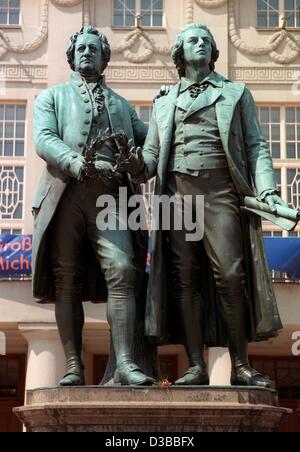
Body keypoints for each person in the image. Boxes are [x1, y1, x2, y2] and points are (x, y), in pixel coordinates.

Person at [117, 23, 286, 387]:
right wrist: (133, 164)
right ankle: (195, 365)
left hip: (219, 190)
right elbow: (150, 158)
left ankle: (240, 364)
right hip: (174, 193)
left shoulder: (235, 93)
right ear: (179, 51)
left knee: (230, 274)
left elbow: (257, 146)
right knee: (184, 279)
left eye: (207, 41)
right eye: (194, 40)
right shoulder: (163, 101)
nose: (202, 45)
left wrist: (268, 190)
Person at [32, 26, 154, 386]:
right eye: (80, 48)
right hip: (65, 195)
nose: (86, 52)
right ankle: (73, 364)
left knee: (122, 269)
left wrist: (140, 159)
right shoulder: (51, 97)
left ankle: (126, 365)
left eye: (93, 49)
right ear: (72, 57)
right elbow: (43, 138)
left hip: (110, 198)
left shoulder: (123, 105)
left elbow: (150, 149)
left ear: (104, 58)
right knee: (66, 278)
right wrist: (73, 161)